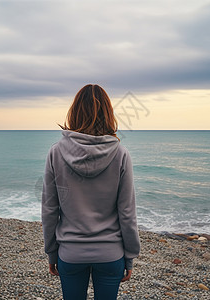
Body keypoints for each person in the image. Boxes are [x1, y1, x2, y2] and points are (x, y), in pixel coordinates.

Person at [41, 84, 140, 300]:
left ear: (74, 112)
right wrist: (130, 255)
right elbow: (127, 212)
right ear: (108, 114)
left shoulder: (56, 153)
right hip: (110, 254)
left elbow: (50, 209)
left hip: (70, 253)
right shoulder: (121, 154)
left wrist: (51, 252)